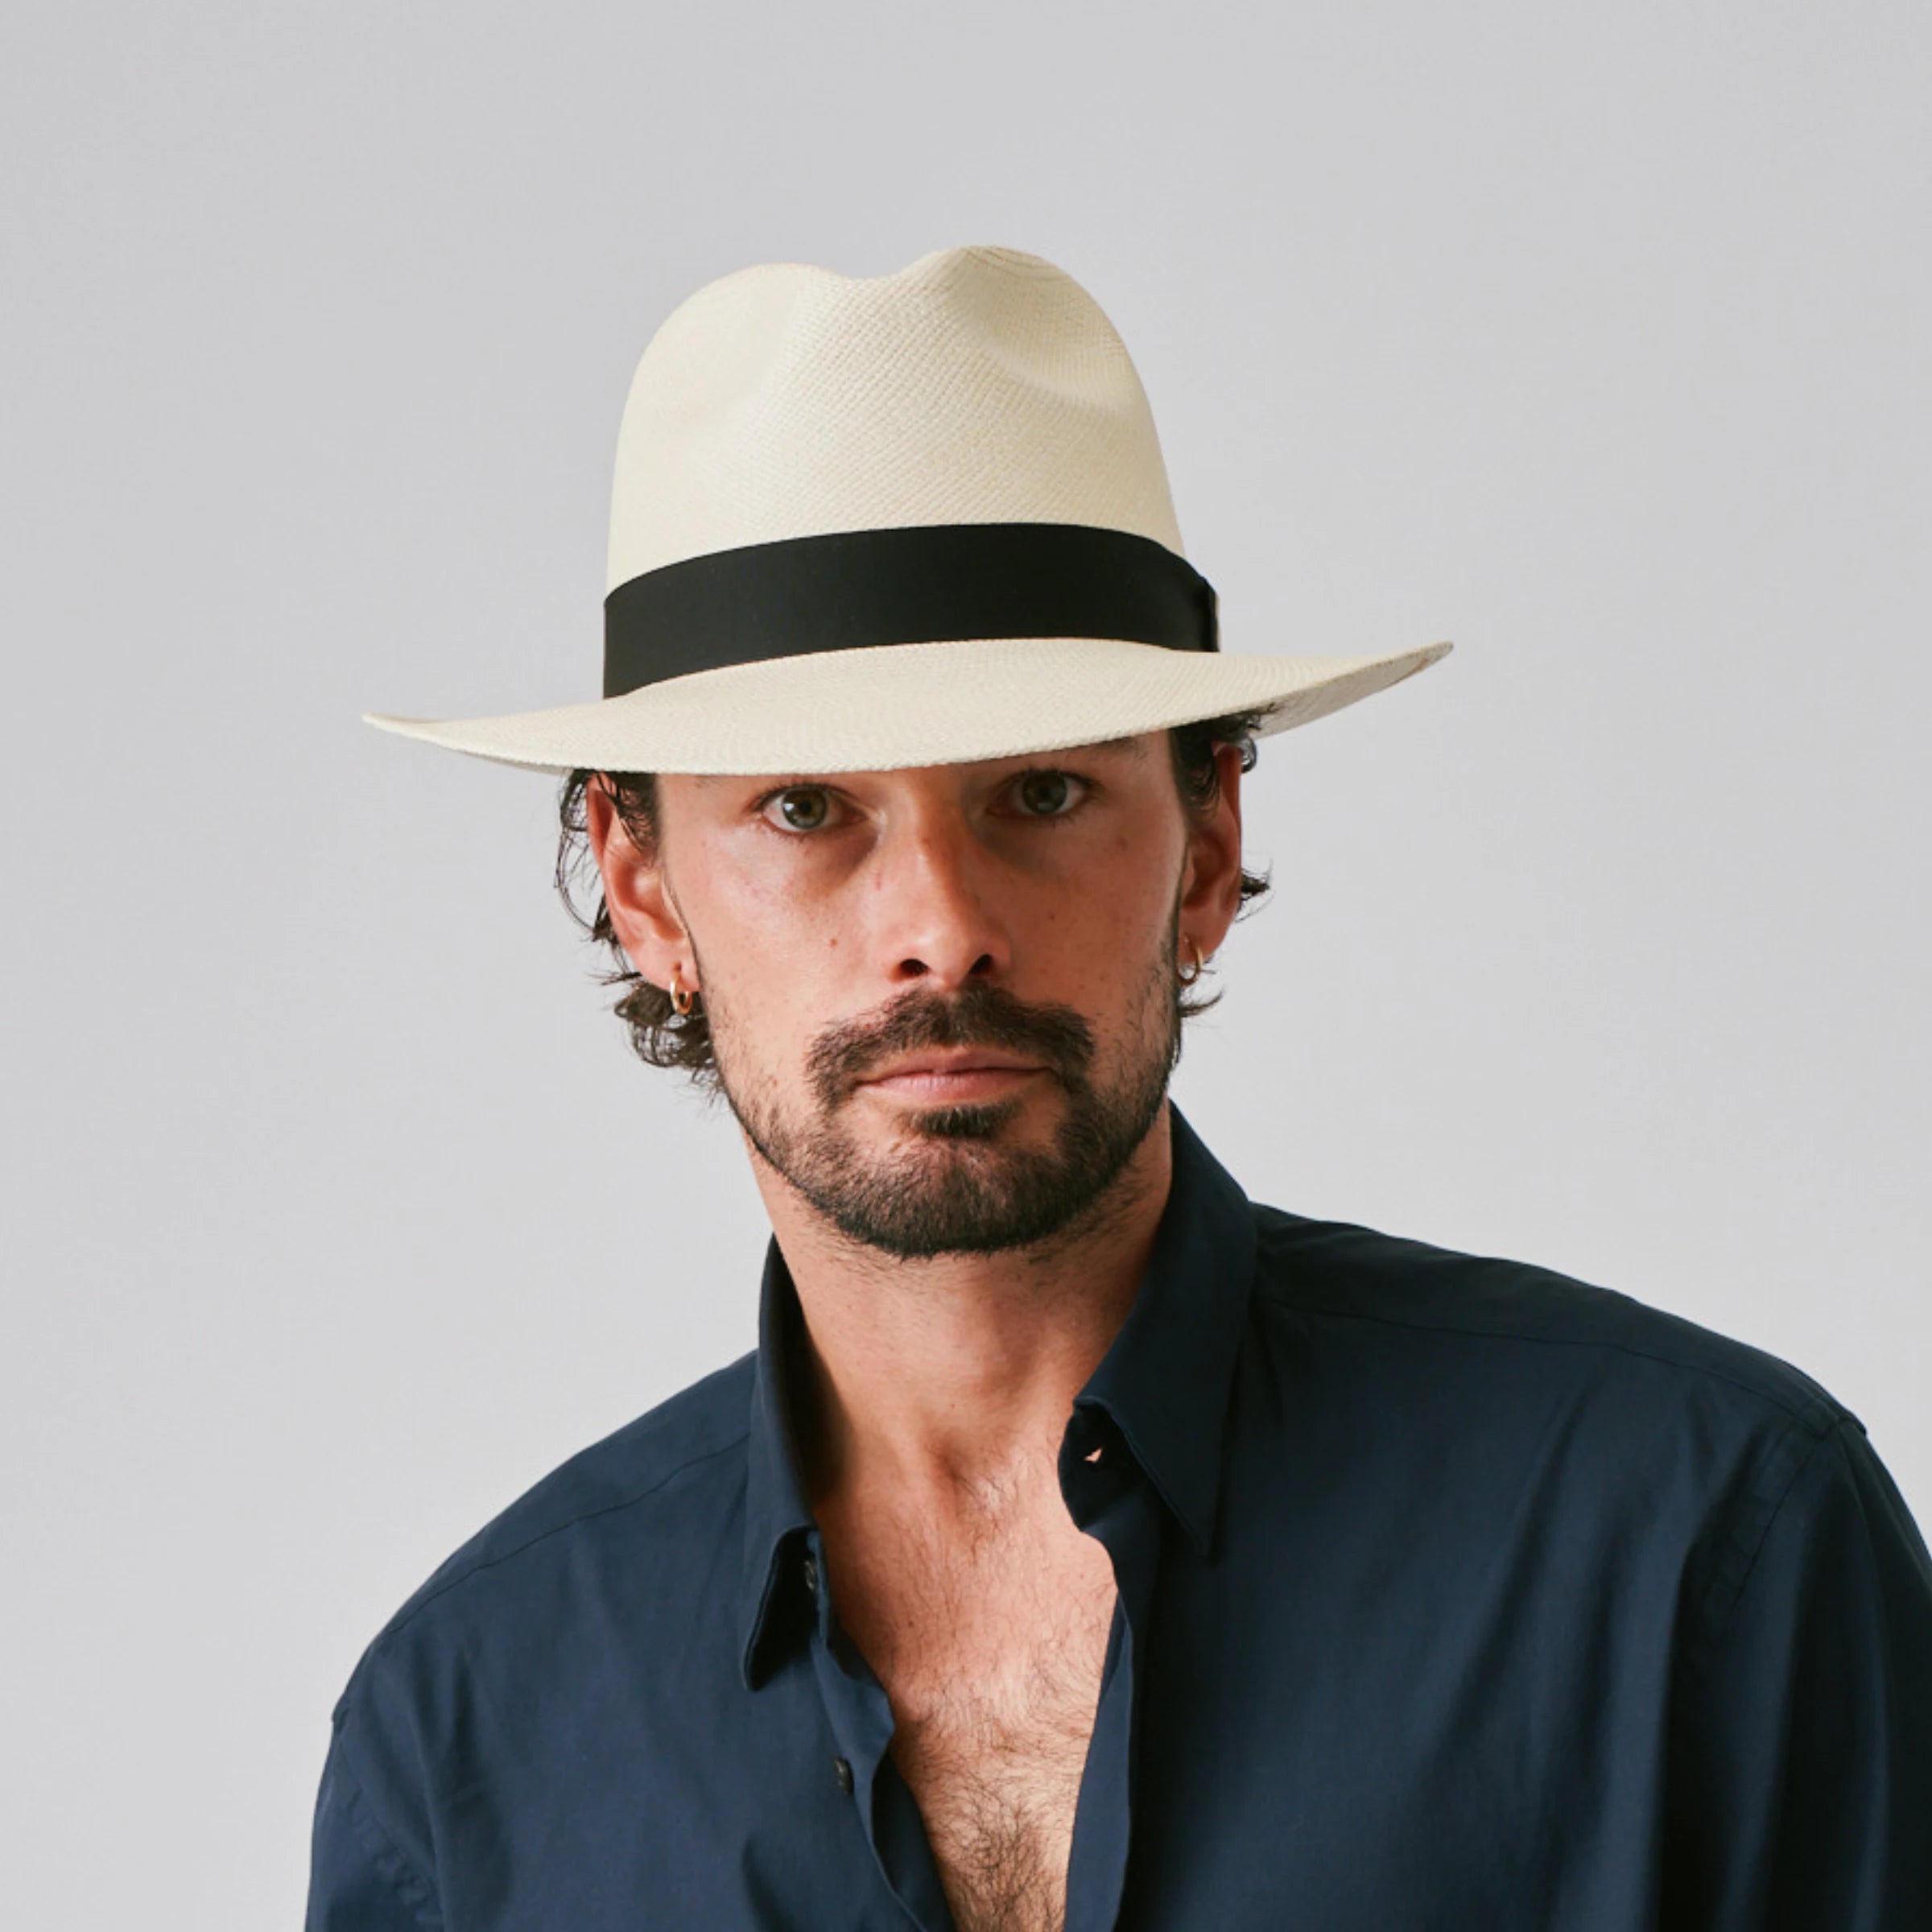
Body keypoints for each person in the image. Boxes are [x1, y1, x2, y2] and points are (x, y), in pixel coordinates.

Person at [311, 246, 1932, 1930]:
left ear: (1208, 843)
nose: (941, 929)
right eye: (806, 811)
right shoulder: (471, 1741)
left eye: (1038, 791)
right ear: (645, 889)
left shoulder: (1693, 1550)